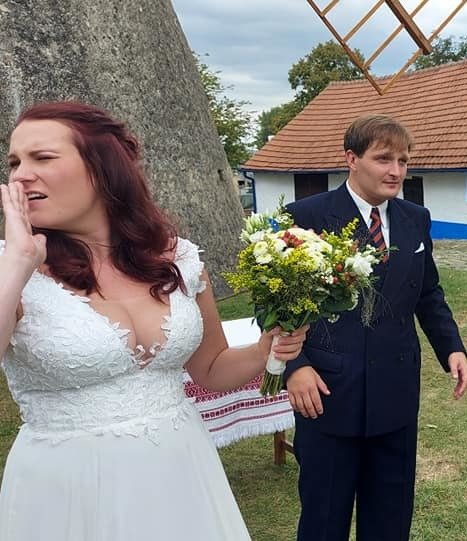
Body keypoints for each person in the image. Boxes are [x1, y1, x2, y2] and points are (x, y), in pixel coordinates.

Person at [0, 102, 308, 540]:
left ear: (104, 170)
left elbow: (212, 368)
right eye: (14, 162)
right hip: (68, 489)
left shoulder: (176, 257)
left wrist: (264, 351)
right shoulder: (10, 271)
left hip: (180, 471)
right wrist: (18, 262)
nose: (20, 175)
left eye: (42, 158)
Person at [282, 114, 467, 541]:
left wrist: (451, 347)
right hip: (327, 393)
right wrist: (296, 368)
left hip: (395, 393)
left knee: (390, 517)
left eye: (403, 161)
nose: (396, 171)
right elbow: (276, 304)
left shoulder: (414, 218)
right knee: (323, 521)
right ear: (351, 159)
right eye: (384, 158)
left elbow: (428, 291)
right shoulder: (306, 216)